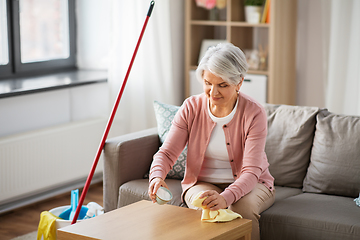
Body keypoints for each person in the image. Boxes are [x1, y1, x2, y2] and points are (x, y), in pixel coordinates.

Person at [148, 42, 275, 240]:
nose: (213, 92)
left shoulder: (254, 113)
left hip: (254, 183)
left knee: (241, 210)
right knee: (205, 208)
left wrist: (225, 198)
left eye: (222, 85)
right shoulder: (191, 107)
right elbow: (166, 153)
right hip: (202, 182)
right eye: (208, 83)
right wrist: (156, 176)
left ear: (239, 83)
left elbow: (251, 171)